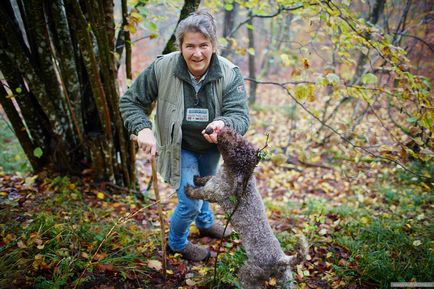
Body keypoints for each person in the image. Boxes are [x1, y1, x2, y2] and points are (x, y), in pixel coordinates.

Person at [119, 10, 249, 261]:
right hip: (178, 146)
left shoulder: (229, 73)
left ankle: (205, 223)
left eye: (204, 45)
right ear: (180, 46)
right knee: (190, 201)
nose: (197, 53)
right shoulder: (163, 67)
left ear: (213, 46)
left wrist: (223, 123)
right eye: (190, 46)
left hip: (211, 147)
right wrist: (143, 128)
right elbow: (131, 102)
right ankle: (176, 243)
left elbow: (240, 116)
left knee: (206, 184)